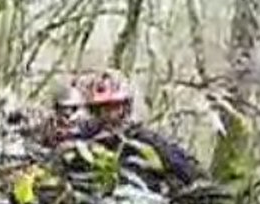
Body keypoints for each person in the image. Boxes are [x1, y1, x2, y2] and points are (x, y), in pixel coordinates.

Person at [73, 70, 204, 192]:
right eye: (105, 108)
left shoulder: (144, 139)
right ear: (96, 111)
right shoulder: (83, 141)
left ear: (125, 108)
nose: (111, 115)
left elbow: (184, 165)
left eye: (116, 107)